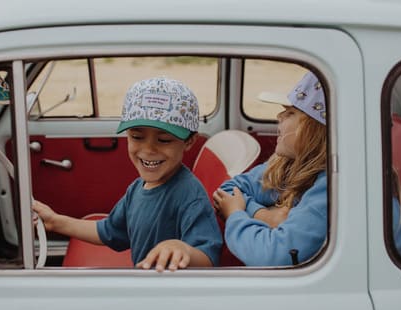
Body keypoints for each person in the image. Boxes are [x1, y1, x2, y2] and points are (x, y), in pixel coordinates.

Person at [33, 76, 222, 271]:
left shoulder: (190, 196)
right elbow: (109, 230)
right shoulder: (137, 188)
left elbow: (208, 257)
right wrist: (56, 222)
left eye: (164, 140)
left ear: (189, 141)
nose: (148, 150)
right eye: (137, 137)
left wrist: (184, 250)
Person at [212, 71, 327, 266]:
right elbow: (229, 189)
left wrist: (235, 214)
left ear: (314, 130)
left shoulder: (332, 189)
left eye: (290, 113)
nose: (279, 116)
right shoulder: (288, 164)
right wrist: (265, 215)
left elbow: (271, 255)